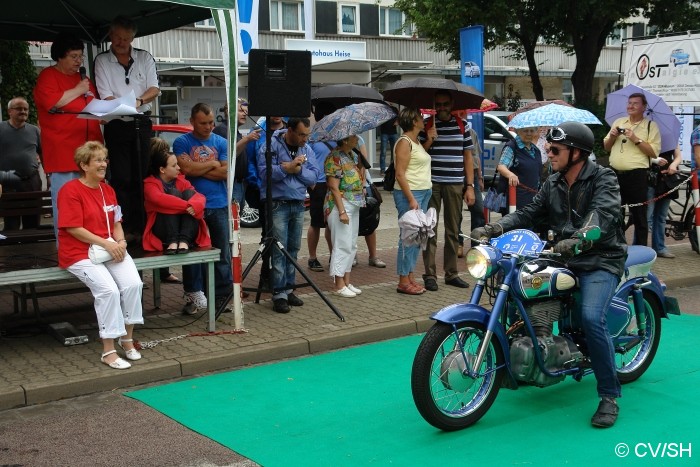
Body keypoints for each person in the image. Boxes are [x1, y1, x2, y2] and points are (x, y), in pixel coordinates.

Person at [473, 122, 627, 428]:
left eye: (555, 149)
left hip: (601, 258)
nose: (548, 152)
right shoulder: (553, 181)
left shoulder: (603, 177)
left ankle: (609, 396)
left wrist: (580, 238)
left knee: (591, 317)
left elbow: (602, 217)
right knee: (520, 289)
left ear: (577, 153)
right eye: (549, 147)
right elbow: (528, 213)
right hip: (563, 256)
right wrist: (494, 228)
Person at [57, 141, 143, 370]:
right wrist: (108, 243)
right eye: (98, 160)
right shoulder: (70, 190)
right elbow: (73, 228)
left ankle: (126, 339)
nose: (103, 164)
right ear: (84, 165)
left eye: (105, 159)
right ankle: (108, 351)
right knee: (108, 290)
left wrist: (121, 242)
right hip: (79, 252)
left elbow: (116, 222)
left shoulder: (108, 189)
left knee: (133, 284)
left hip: (109, 247)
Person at [94, 15, 160, 240]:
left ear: (133, 38)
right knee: (121, 177)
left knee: (141, 175)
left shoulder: (144, 57)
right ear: (110, 35)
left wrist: (138, 102)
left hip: (141, 121)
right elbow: (105, 94)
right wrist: (124, 106)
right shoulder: (102, 60)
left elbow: (154, 88)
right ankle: (124, 226)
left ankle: (144, 227)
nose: (121, 42)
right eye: (117, 38)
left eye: (125, 38)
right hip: (116, 123)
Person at [33, 32, 104, 237]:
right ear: (60, 57)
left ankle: (92, 245)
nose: (78, 61)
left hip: (90, 153)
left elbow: (94, 106)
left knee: (91, 203)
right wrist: (77, 89)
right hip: (64, 153)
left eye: (80, 56)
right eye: (73, 56)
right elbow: (52, 103)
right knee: (66, 204)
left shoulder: (83, 79)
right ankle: (65, 249)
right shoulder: (48, 76)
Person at [173, 103, 233, 312]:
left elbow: (225, 173)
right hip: (192, 206)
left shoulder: (222, 142)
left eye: (210, 122)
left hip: (218, 204)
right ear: (192, 121)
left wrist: (197, 169)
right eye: (203, 123)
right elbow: (186, 168)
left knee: (222, 253)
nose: (208, 127)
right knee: (193, 254)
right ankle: (193, 296)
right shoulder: (182, 142)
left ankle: (220, 297)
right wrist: (213, 164)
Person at [143, 138, 212, 314]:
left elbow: (200, 197)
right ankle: (178, 241)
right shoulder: (150, 183)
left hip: (184, 234)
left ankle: (193, 289)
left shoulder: (182, 181)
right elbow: (159, 199)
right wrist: (188, 207)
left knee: (188, 192)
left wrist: (194, 204)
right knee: (176, 195)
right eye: (174, 165)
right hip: (162, 234)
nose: (179, 168)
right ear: (162, 169)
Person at [257, 117, 319, 313]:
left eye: (307, 135)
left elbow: (314, 176)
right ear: (289, 130)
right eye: (301, 135)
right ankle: (279, 294)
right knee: (279, 250)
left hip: (298, 203)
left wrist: (295, 169)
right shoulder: (270, 145)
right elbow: (265, 173)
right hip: (277, 204)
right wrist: (287, 168)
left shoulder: (307, 149)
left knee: (293, 248)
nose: (304, 139)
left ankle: (290, 289)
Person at [419, 91, 475, 291]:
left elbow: (468, 157)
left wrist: (470, 186)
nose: (441, 108)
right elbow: (417, 156)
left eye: (445, 104)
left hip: (455, 184)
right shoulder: (425, 125)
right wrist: (429, 140)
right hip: (431, 184)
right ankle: (430, 274)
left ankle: (451, 274)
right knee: (429, 230)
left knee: (453, 230)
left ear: (452, 104)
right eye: (438, 104)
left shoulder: (463, 126)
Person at [603, 92, 661, 246]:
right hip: (615, 174)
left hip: (637, 176)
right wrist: (613, 137)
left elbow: (654, 152)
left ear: (644, 107)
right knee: (615, 213)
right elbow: (606, 147)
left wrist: (635, 139)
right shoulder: (619, 121)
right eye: (629, 103)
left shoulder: (650, 126)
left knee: (640, 215)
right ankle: (616, 247)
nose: (631, 106)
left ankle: (641, 249)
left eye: (635, 103)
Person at [394, 107, 432, 295]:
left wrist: (430, 140)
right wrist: (410, 199)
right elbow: (400, 173)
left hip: (423, 192)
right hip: (411, 193)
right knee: (408, 236)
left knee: (418, 236)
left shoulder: (416, 142)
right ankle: (403, 279)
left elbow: (417, 162)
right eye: (420, 117)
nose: (423, 120)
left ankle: (409, 275)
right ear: (413, 121)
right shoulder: (404, 142)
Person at [325, 134, 365, 297]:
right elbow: (333, 187)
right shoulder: (334, 157)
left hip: (354, 203)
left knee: (351, 244)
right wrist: (341, 211)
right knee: (342, 244)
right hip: (341, 203)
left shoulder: (352, 154)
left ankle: (347, 281)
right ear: (345, 140)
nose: (357, 139)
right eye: (354, 136)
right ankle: (338, 284)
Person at [0, 97, 42, 230]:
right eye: (19, 108)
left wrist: (48, 176)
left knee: (33, 220)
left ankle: (33, 249)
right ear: (9, 112)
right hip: (8, 181)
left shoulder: (34, 130)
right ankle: (13, 250)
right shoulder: (1, 129)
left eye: (25, 109)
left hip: (31, 180)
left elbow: (43, 153)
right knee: (11, 222)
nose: (23, 111)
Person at [213, 99, 261, 208]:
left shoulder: (235, 131)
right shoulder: (222, 130)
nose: (245, 114)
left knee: (236, 221)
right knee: (231, 220)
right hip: (230, 184)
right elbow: (229, 155)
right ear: (229, 111)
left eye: (246, 111)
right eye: (241, 110)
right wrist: (247, 139)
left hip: (240, 184)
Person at [496, 126, 542, 209]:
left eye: (532, 131)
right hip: (515, 198)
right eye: (525, 131)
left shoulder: (535, 150)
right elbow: (501, 166)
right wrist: (510, 175)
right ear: (518, 132)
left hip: (533, 197)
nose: (529, 133)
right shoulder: (512, 147)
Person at [647, 146, 681, 258]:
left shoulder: (671, 134)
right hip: (650, 177)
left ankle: (660, 247)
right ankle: (640, 247)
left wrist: (674, 164)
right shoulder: (648, 131)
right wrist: (655, 160)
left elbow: (678, 155)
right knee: (646, 216)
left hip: (666, 178)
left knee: (661, 216)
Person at [460, 127, 486, 252]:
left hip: (473, 175)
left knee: (478, 210)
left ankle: (476, 245)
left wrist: (480, 177)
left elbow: (476, 156)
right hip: (456, 175)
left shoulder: (471, 132)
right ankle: (458, 243)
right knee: (455, 213)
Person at [379, 105, 399, 174]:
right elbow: (379, 119)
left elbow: (399, 117)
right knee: (383, 152)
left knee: (394, 152)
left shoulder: (395, 109)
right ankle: (382, 169)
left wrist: (398, 121)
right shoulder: (383, 109)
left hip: (393, 133)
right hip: (384, 133)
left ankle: (392, 169)